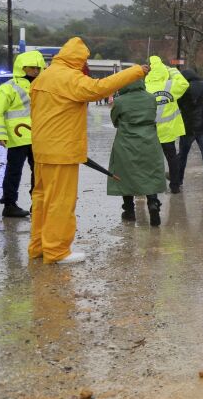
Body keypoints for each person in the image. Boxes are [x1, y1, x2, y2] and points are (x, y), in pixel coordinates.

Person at [30, 37, 148, 264]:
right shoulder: (69, 77)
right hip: (62, 151)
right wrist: (134, 72)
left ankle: (38, 246)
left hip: (42, 149)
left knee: (42, 200)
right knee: (61, 202)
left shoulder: (44, 76)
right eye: (84, 59)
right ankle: (57, 251)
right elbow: (98, 89)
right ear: (78, 59)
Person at [0, 50, 46, 218]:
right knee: (14, 172)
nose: (35, 71)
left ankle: (38, 204)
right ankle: (9, 205)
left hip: (38, 136)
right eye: (32, 67)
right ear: (22, 67)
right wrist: (0, 134)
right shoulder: (8, 87)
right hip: (17, 137)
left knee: (40, 173)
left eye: (38, 67)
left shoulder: (44, 86)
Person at [108, 79, 166, 226]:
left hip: (126, 143)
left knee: (125, 175)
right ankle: (153, 203)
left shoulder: (120, 101)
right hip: (149, 142)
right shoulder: (151, 98)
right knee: (150, 173)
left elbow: (115, 121)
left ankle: (129, 211)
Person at [144, 56, 189, 193]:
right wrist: (172, 70)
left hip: (150, 130)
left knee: (149, 159)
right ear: (164, 69)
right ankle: (175, 186)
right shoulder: (170, 86)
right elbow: (184, 84)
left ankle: (149, 186)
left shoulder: (145, 87)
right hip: (168, 131)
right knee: (172, 158)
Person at [173, 69, 203, 191]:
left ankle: (179, 179)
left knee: (183, 154)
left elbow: (177, 108)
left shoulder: (183, 88)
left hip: (187, 127)